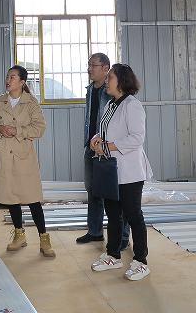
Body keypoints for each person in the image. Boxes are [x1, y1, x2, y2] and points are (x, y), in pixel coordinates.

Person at [90, 63, 152, 281]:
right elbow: (103, 131)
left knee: (133, 216)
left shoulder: (132, 105)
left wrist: (107, 146)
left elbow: (137, 138)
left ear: (122, 81)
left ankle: (141, 262)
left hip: (130, 171)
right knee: (113, 215)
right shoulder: (111, 104)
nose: (106, 81)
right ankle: (113, 255)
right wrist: (96, 140)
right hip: (112, 170)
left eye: (110, 78)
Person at [0, 65, 55, 258]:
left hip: (23, 156)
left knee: (32, 198)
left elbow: (39, 128)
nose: (8, 81)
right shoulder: (1, 101)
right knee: (10, 197)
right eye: (7, 77)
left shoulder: (31, 103)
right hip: (4, 156)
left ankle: (44, 238)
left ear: (22, 82)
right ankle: (19, 234)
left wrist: (18, 131)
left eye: (13, 77)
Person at [77, 53, 131, 250]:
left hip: (109, 149)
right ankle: (95, 231)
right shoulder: (90, 90)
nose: (89, 69)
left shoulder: (112, 93)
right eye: (88, 65)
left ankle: (123, 237)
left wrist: (107, 144)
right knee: (93, 191)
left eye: (94, 65)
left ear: (105, 68)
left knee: (116, 193)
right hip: (92, 146)